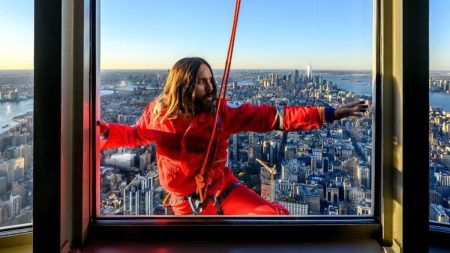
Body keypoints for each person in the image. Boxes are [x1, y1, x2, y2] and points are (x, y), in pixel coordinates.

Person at [98, 57, 369, 215]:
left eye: (211, 80)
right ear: (183, 86)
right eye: (202, 82)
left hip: (221, 190)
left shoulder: (222, 113)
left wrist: (329, 113)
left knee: (276, 217)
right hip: (183, 204)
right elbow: (135, 136)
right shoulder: (159, 114)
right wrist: (102, 133)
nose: (211, 87)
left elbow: (275, 118)